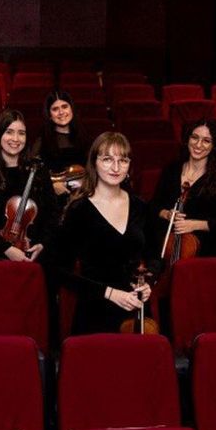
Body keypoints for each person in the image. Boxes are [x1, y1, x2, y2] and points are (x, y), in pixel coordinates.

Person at [50, 131, 161, 335]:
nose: (116, 167)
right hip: (95, 311)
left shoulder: (141, 207)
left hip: (135, 309)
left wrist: (148, 282)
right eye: (108, 159)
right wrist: (109, 293)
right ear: (94, 163)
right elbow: (59, 269)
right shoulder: (79, 210)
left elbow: (155, 257)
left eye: (123, 160)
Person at [0, 109, 59, 261]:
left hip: (33, 252)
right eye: (9, 132)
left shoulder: (38, 170)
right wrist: (7, 249)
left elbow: (52, 214)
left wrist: (42, 244)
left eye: (21, 133)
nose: (16, 139)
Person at [150, 118, 216, 258]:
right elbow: (153, 206)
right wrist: (166, 214)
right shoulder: (172, 170)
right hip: (167, 243)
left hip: (204, 249)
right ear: (187, 139)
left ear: (214, 145)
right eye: (194, 138)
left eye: (206, 141)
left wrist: (194, 225)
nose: (198, 145)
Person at [34, 91, 88, 197]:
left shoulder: (85, 137)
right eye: (55, 109)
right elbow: (34, 174)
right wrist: (51, 186)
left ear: (71, 109)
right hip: (53, 199)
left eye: (64, 106)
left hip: (82, 195)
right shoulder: (42, 142)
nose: (61, 112)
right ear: (49, 115)